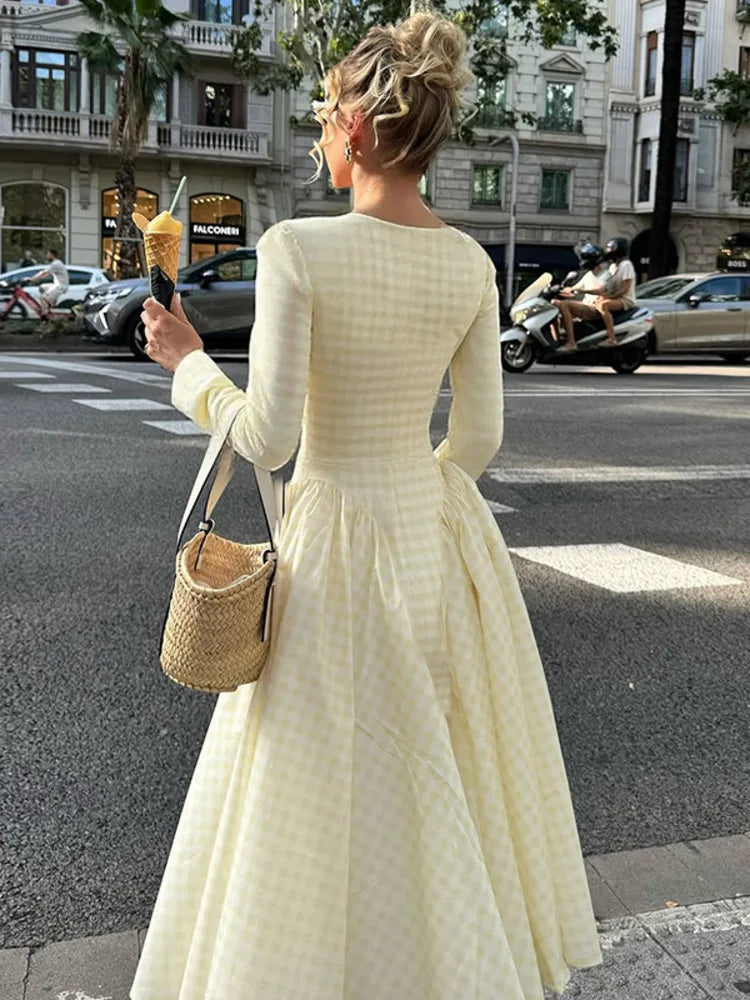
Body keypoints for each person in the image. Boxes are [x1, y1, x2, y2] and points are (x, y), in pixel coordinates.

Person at [132, 11, 603, 999]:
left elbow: (268, 440)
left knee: (308, 776)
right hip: (429, 540)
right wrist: (415, 480)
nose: (318, 129)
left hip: (332, 538)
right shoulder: (470, 266)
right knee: (427, 765)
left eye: (324, 112)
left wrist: (186, 366)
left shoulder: (300, 247)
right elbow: (476, 443)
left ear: (356, 128)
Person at [554, 243, 613, 350]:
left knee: (565, 305)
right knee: (555, 303)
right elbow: (574, 288)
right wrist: (558, 291)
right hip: (585, 306)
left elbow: (599, 290)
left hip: (595, 308)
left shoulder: (605, 274)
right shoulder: (588, 274)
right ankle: (557, 337)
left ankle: (571, 342)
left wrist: (578, 289)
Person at [595, 236, 637, 347]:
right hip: (616, 297)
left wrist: (610, 297)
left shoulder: (626, 265)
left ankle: (611, 338)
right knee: (596, 303)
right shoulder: (613, 266)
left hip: (626, 299)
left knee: (603, 305)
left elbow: (625, 288)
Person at [26, 249, 69, 318]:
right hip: (57, 284)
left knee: (42, 298)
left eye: (48, 254)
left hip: (61, 286)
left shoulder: (56, 264)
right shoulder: (56, 263)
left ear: (52, 255)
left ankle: (45, 314)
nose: (47, 256)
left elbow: (43, 273)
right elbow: (45, 275)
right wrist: (36, 279)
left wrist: (32, 279)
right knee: (42, 287)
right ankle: (50, 303)